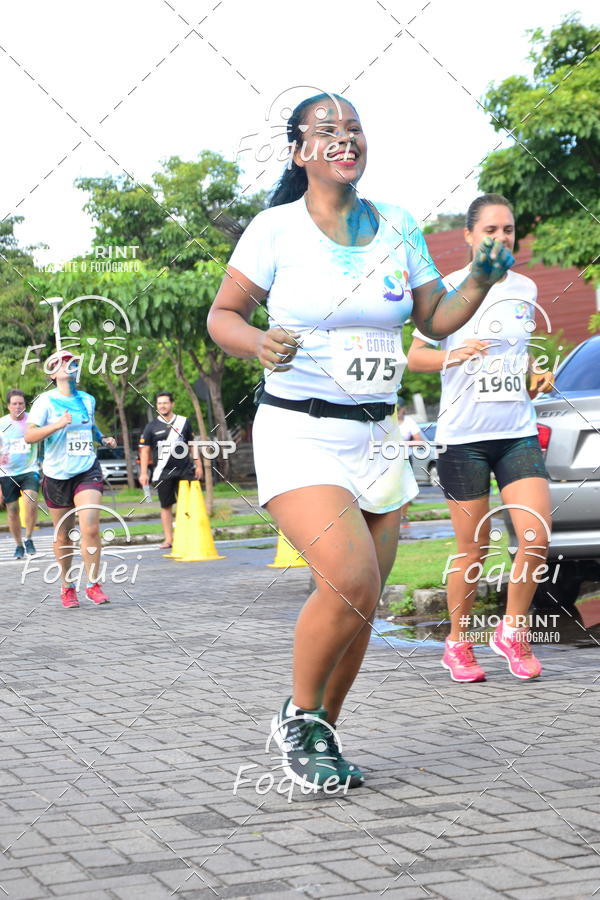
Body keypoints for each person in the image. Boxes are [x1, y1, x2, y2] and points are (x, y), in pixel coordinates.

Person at [207, 93, 514, 791]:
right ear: (299, 151)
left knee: (364, 604)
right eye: (327, 131)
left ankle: (323, 733)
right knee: (350, 579)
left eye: (353, 128)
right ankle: (298, 714)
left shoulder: (398, 225)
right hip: (299, 428)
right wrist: (258, 340)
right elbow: (223, 315)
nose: (345, 138)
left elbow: (436, 320)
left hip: (377, 438)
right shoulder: (275, 228)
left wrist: (482, 280)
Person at [407, 193, 552, 684]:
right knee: (474, 549)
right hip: (462, 437)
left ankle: (513, 631)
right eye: (490, 230)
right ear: (469, 236)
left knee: (534, 536)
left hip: (516, 431)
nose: (501, 237)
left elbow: (521, 351)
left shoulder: (525, 288)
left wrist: (535, 373)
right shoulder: (446, 289)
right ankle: (458, 642)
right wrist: (457, 352)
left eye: (507, 230)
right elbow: (416, 357)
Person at [25, 351, 116, 608]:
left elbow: (91, 426)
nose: (69, 366)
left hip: (87, 469)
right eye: (62, 363)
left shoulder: (88, 399)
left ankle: (93, 584)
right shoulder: (45, 402)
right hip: (56, 474)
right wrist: (57, 425)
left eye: (73, 362)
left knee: (90, 526)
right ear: (53, 373)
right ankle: (67, 586)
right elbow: (30, 436)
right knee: (63, 535)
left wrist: (102, 439)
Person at [138, 393, 202, 549]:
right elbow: (145, 451)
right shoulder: (151, 426)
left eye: (165, 403)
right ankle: (169, 539)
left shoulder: (183, 422)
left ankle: (190, 537)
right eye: (159, 403)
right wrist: (144, 472)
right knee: (166, 506)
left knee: (188, 504)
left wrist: (198, 464)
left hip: (185, 470)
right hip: (162, 472)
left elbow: (192, 444)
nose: (162, 406)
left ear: (172, 404)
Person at [0, 389, 40, 558]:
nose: (18, 407)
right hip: (7, 473)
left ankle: (29, 538)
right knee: (12, 510)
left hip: (29, 470)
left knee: (30, 499)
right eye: (15, 404)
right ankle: (18, 545)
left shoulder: (32, 421)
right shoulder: (2, 424)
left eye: (21, 404)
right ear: (8, 406)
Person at [396, 397, 423, 527]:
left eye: (398, 409)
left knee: (404, 489)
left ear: (403, 409)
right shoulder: (386, 421)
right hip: (387, 460)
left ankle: (403, 516)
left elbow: (419, 441)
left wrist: (403, 443)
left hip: (405, 459)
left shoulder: (409, 422)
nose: (396, 412)